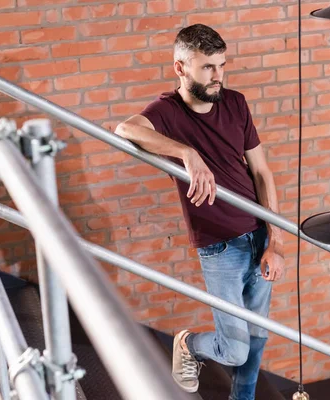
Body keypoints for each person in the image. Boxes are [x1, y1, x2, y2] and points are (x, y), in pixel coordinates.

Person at [115, 24, 285, 400]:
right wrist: (186, 152)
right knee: (235, 348)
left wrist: (277, 241)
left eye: (222, 65)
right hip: (220, 248)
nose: (218, 75)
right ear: (181, 68)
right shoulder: (166, 111)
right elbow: (126, 128)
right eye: (207, 67)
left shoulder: (236, 103)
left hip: (259, 234)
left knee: (255, 344)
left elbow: (261, 172)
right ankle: (189, 344)